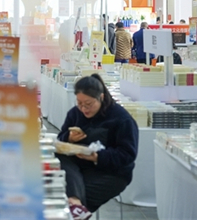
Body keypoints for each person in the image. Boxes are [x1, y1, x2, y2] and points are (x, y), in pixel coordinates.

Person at [56, 74, 138, 219]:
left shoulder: (121, 119)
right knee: (59, 159)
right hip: (78, 167)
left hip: (111, 173)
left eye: (88, 104)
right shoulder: (75, 113)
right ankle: (75, 203)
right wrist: (68, 138)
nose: (84, 109)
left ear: (101, 97)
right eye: (79, 103)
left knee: (63, 196)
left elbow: (127, 155)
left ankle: (75, 204)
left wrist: (97, 157)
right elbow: (61, 139)